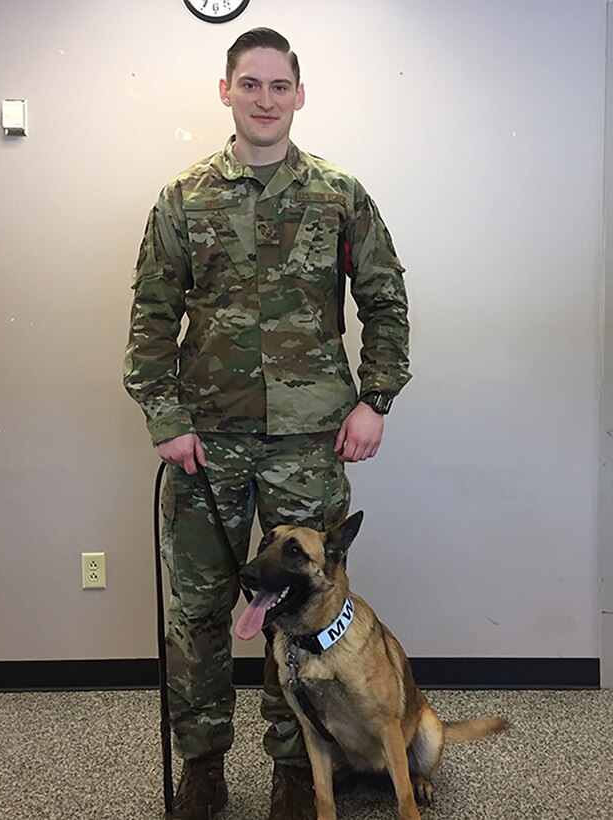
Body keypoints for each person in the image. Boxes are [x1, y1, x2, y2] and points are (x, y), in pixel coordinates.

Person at [123, 27, 411, 820]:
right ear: (226, 91)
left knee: (303, 615)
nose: (264, 99)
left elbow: (385, 299)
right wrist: (166, 416)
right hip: (204, 445)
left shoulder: (339, 194)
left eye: (278, 85)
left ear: (299, 94)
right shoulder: (184, 198)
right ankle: (204, 767)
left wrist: (373, 399)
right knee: (199, 610)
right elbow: (151, 317)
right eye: (249, 84)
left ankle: (295, 765)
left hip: (308, 444)